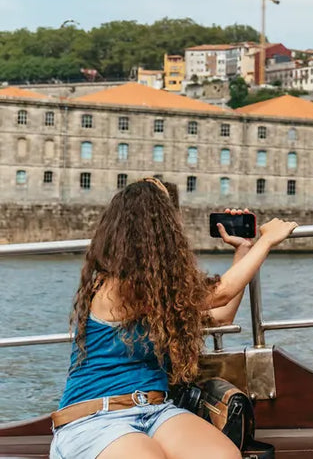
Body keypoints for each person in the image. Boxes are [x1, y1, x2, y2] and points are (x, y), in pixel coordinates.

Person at [49, 177, 298, 459]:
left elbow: (220, 314)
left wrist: (243, 250)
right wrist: (267, 240)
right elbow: (222, 293)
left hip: (157, 410)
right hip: (97, 416)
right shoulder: (119, 285)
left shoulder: (161, 295)